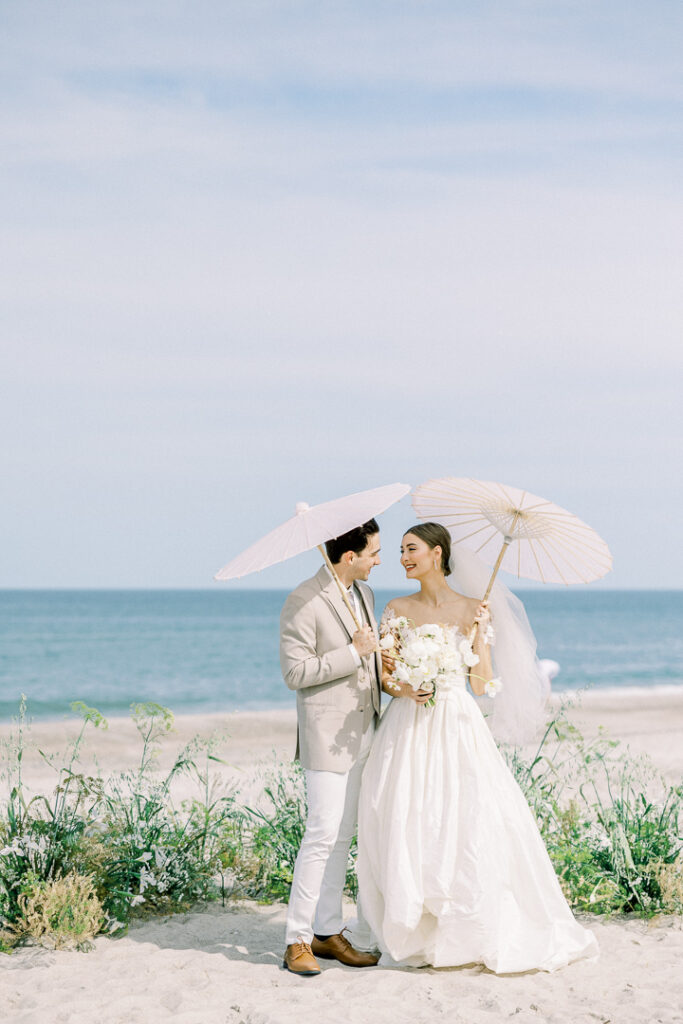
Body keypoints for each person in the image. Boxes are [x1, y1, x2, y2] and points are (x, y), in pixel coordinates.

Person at [356, 522, 598, 973]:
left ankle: (465, 924)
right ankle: (415, 925)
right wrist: (407, 688)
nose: (403, 558)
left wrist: (482, 634)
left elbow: (483, 685)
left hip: (457, 724)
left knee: (463, 819)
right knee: (406, 816)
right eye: (401, 550)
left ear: (437, 553)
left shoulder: (473, 608)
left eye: (411, 549)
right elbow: (385, 678)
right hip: (407, 725)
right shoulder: (396, 609)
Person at [279, 518, 383, 976]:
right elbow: (295, 674)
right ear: (349, 556)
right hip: (326, 736)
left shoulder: (366, 594)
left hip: (365, 730)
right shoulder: (304, 600)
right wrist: (353, 652)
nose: (379, 560)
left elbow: (373, 662)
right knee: (320, 834)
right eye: (373, 553)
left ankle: (326, 932)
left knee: (343, 836)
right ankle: (296, 939)